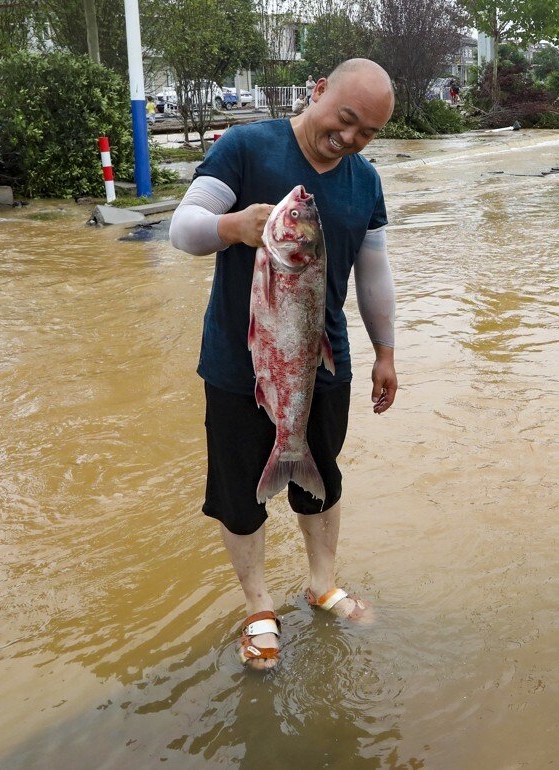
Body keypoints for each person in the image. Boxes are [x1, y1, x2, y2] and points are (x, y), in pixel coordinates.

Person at [169, 59, 399, 671]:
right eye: (345, 119)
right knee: (240, 494)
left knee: (321, 478)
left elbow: (374, 273)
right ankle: (259, 607)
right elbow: (182, 229)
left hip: (322, 363)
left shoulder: (365, 181)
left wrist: (386, 353)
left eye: (367, 132)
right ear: (317, 89)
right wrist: (233, 226)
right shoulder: (245, 147)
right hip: (235, 366)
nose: (350, 139)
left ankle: (322, 584)